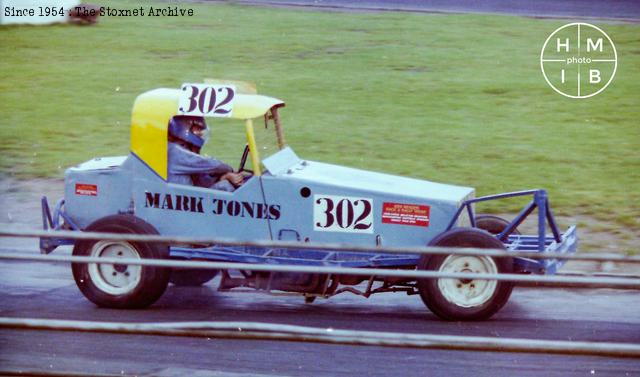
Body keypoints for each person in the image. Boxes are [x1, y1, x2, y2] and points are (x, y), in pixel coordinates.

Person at [167, 115, 244, 192]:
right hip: (179, 200)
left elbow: (201, 182)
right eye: (198, 129)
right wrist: (230, 170)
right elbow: (215, 165)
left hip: (185, 198)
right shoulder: (174, 150)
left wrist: (225, 177)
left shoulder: (181, 151)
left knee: (224, 183)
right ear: (184, 128)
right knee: (224, 186)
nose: (201, 133)